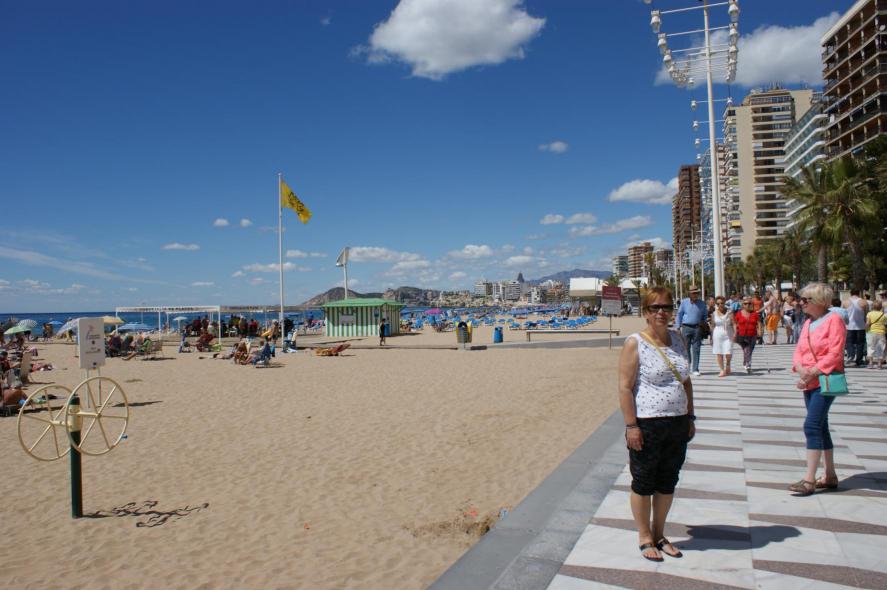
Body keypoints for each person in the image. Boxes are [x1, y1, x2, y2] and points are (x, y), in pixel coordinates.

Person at [618, 286, 694, 562]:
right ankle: (644, 536)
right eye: (655, 307)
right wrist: (631, 426)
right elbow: (625, 388)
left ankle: (659, 534)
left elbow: (686, 381)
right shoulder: (635, 343)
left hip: (677, 422)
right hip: (647, 423)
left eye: (667, 307)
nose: (662, 312)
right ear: (646, 313)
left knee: (668, 480)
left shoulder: (678, 339)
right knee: (644, 481)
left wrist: (690, 416)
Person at [790, 283, 847, 496]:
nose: (801, 303)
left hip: (826, 380)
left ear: (819, 301)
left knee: (812, 425)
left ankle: (809, 480)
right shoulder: (808, 323)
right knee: (821, 426)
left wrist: (812, 372)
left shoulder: (834, 320)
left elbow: (835, 353)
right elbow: (799, 350)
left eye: (806, 300)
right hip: (810, 381)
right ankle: (830, 475)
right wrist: (801, 369)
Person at [675, 285, 706, 376]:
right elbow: (679, 315)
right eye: (693, 293)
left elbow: (705, 315)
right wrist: (677, 327)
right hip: (686, 327)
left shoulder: (702, 303)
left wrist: (703, 322)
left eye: (696, 293)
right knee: (686, 348)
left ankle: (695, 369)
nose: (695, 295)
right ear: (689, 294)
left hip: (697, 328)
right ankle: (687, 366)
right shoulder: (684, 302)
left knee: (696, 349)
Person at [709, 296, 734, 377]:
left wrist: (735, 333)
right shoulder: (714, 314)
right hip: (717, 334)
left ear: (724, 303)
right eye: (718, 303)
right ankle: (722, 370)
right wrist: (711, 337)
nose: (720, 305)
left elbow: (734, 323)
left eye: (722, 303)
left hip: (728, 334)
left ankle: (728, 364)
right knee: (719, 352)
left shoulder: (729, 312)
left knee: (728, 352)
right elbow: (712, 326)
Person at [734, 297, 761, 374]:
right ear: (743, 305)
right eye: (745, 303)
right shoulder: (738, 313)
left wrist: (760, 331)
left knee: (749, 350)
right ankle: (748, 365)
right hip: (742, 335)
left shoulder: (754, 314)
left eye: (749, 303)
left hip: (752, 335)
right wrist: (735, 332)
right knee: (747, 349)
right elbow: (735, 323)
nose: (748, 305)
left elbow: (758, 323)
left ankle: (745, 362)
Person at [845, 289, 868, 367]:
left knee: (849, 343)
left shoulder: (845, 302)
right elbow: (866, 314)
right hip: (861, 326)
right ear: (858, 293)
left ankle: (850, 358)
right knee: (860, 343)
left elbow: (843, 314)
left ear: (850, 293)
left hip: (849, 326)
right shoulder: (864, 302)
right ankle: (859, 360)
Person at [865, 300, 887, 370]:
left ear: (872, 306)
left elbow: (868, 323)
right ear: (880, 307)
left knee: (870, 347)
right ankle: (879, 364)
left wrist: (865, 328)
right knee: (880, 348)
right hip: (881, 332)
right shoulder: (884, 315)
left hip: (871, 332)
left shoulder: (869, 314)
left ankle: (870, 363)